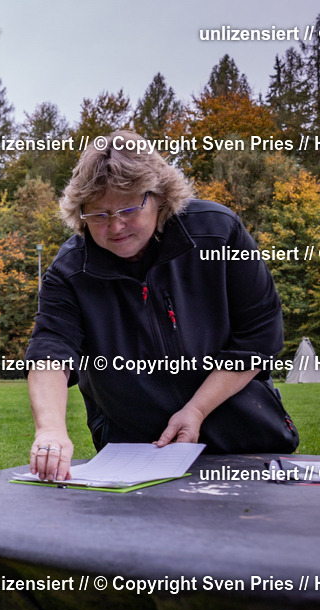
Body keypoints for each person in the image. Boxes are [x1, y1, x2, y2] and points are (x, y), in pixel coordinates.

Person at [25, 129, 298, 481]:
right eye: (98, 215)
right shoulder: (69, 272)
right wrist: (49, 430)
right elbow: (51, 351)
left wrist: (196, 410)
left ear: (160, 197)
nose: (116, 226)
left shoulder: (218, 232)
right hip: (137, 454)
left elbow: (259, 337)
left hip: (247, 442)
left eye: (127, 208)